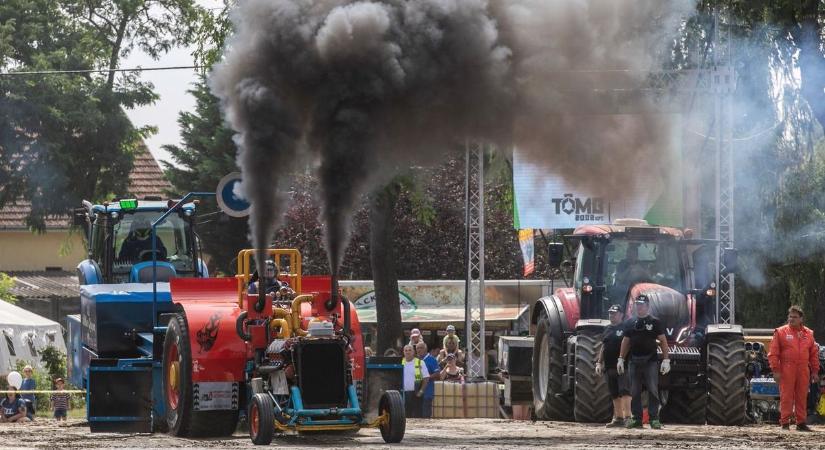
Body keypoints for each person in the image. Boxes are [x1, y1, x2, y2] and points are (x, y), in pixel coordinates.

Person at [618, 294, 669, 430]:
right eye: (638, 305)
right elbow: (626, 341)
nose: (639, 307)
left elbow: (663, 341)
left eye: (642, 305)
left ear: (647, 306)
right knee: (634, 391)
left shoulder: (655, 322)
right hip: (634, 361)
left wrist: (666, 359)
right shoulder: (630, 322)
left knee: (653, 390)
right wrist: (621, 358)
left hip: (650, 361)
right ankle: (637, 419)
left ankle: (654, 419)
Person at [768, 305, 820, 431]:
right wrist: (775, 370)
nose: (791, 319)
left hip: (803, 368)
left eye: (795, 317)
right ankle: (785, 422)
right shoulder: (780, 332)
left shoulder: (808, 333)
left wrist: (815, 371)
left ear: (801, 319)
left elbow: (813, 354)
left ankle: (801, 422)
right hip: (787, 368)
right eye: (790, 316)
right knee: (786, 395)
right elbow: (773, 353)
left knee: (802, 396)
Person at [596, 304, 632, 427]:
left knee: (625, 391)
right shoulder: (607, 329)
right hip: (609, 366)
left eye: (614, 313)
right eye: (610, 313)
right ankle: (618, 418)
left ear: (621, 315)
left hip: (622, 365)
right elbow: (603, 346)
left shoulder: (626, 328)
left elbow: (629, 344)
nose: (612, 315)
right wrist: (599, 362)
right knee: (614, 393)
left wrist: (622, 359)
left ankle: (628, 417)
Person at [401, 344, 429, 419]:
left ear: (414, 352)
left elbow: (426, 378)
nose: (408, 352)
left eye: (410, 350)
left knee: (417, 415)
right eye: (406, 350)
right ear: (403, 352)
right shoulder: (400, 363)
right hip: (403, 393)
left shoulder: (420, 362)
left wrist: (421, 391)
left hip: (416, 393)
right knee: (405, 415)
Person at [416, 341, 439, 418]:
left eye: (421, 348)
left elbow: (437, 374)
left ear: (426, 349)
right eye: (417, 348)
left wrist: (426, 377)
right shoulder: (416, 360)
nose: (419, 350)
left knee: (425, 414)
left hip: (427, 391)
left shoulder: (432, 359)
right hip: (417, 391)